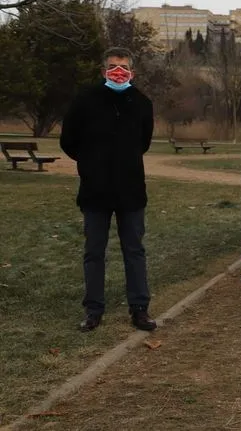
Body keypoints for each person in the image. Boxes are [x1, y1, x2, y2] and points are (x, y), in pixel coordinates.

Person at [59, 47, 157, 333]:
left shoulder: (142, 103)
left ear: (132, 72)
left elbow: (144, 142)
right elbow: (68, 140)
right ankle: (93, 310)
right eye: (113, 67)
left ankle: (140, 309)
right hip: (95, 190)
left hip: (131, 191)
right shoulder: (85, 100)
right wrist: (90, 162)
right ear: (104, 71)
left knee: (134, 250)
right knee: (94, 252)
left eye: (123, 67)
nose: (118, 72)